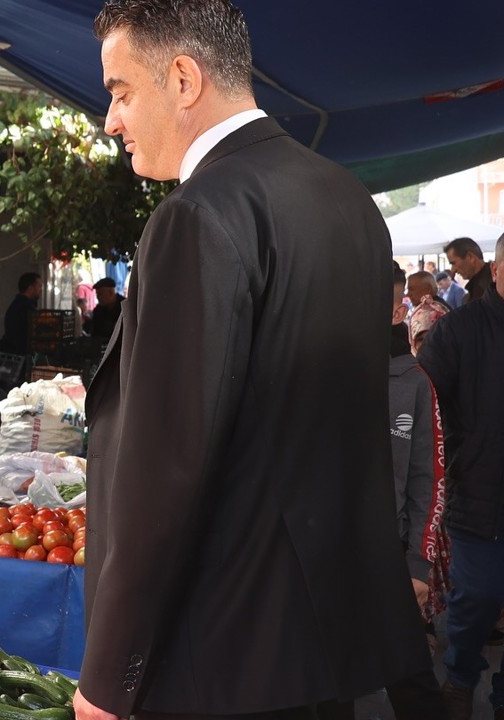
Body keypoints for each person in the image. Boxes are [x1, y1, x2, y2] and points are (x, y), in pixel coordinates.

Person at [76, 2, 430, 718]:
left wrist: (109, 674)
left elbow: (167, 464)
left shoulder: (197, 214)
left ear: (183, 79)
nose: (111, 120)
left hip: (219, 655)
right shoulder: (349, 200)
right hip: (324, 646)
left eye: (121, 92)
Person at [417, 234, 504, 720]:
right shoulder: (459, 330)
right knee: (477, 598)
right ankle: (461, 677)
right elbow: (424, 401)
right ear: (497, 270)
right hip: (477, 495)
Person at [385, 266, 450, 720]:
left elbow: (431, 479)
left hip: (392, 561)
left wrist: (418, 564)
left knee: (413, 688)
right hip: (326, 564)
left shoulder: (414, 383)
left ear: (397, 311)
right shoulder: (323, 373)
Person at [0, 272, 43, 356]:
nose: (41, 290)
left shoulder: (17, 304)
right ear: (30, 288)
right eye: (39, 286)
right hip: (21, 355)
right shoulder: (26, 308)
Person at [443, 236, 492, 304]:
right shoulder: (480, 287)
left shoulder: (494, 284)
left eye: (454, 263)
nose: (453, 270)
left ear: (470, 257)